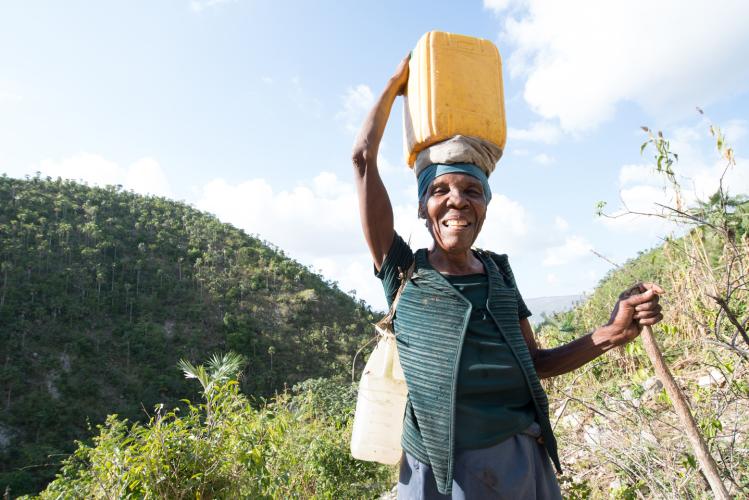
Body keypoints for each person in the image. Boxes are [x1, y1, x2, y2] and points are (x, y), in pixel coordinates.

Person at [351, 55, 664, 500]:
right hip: (438, 473)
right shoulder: (404, 270)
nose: (456, 201)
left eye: (472, 190)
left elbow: (534, 365)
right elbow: (362, 159)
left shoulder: (498, 271)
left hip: (519, 462)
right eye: (439, 190)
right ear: (423, 208)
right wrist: (394, 85)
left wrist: (614, 332)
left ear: (486, 205)